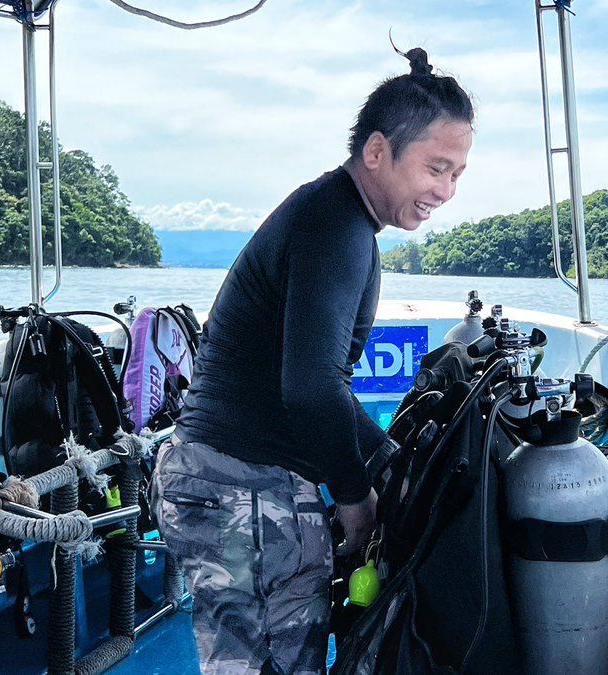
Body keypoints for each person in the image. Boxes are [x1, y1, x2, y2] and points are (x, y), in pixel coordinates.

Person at [152, 48, 474, 675]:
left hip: (216, 478)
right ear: (378, 151)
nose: (446, 190)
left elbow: (316, 380)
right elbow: (311, 388)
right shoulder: (336, 228)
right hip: (241, 487)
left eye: (458, 174)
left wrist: (388, 461)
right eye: (436, 168)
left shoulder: (336, 217)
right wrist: (357, 496)